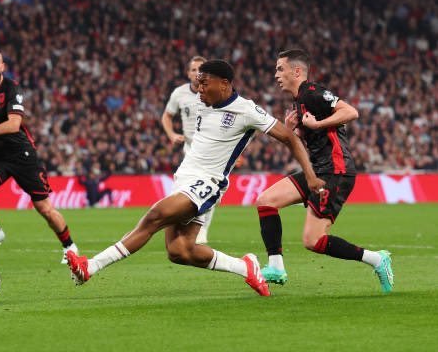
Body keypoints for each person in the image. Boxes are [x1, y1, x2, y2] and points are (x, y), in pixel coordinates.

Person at [66, 60, 325, 296]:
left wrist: (310, 176)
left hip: (207, 183)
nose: (199, 89)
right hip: (184, 178)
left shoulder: (246, 110)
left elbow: (289, 138)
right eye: (198, 83)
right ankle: (245, 267)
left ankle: (90, 267)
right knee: (179, 251)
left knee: (155, 216)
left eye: (204, 83)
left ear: (224, 84)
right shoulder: (202, 103)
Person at [255, 49, 394, 293]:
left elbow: (350, 112)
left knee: (313, 241)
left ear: (296, 71)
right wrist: (294, 131)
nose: (276, 74)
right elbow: (310, 140)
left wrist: (317, 124)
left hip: (335, 171)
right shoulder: (299, 100)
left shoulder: (313, 92)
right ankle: (276, 267)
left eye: (280, 69)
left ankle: (377, 259)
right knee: (266, 201)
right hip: (318, 169)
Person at [0, 50, 78, 263]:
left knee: (44, 208)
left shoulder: (12, 88)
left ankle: (70, 246)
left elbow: (14, 124)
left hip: (21, 154)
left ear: (2, 67)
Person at [162, 55, 216, 244]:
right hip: (190, 151)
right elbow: (167, 116)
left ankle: (202, 230)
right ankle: (181, 226)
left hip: (211, 152)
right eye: (193, 70)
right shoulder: (179, 94)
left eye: (201, 69)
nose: (197, 73)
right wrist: (171, 134)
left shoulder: (214, 92)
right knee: (182, 189)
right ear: (188, 73)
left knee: (209, 191)